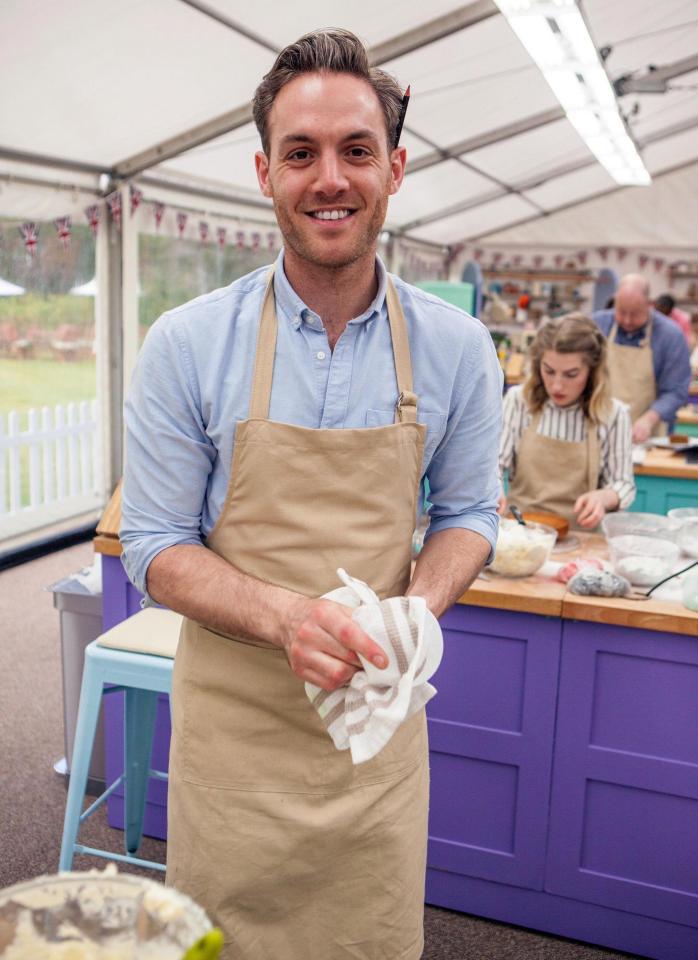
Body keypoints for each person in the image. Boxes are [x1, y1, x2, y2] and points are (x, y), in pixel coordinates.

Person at [120, 28, 503, 960]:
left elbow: (469, 516)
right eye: (301, 153)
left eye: (355, 150)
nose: (329, 177)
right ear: (265, 172)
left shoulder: (457, 350)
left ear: (396, 168)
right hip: (233, 756)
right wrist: (286, 618)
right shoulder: (186, 344)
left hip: (373, 759)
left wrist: (416, 611)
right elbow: (155, 545)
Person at [498, 314, 635, 529]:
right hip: (519, 534)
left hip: (582, 537)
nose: (557, 386)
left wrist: (604, 498)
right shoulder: (518, 401)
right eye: (549, 371)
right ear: (537, 364)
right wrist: (493, 486)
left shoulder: (613, 414)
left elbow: (623, 483)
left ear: (592, 371)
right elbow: (493, 463)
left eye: (571, 374)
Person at [593, 274, 691, 442]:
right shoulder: (596, 325)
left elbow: (676, 391)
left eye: (635, 314)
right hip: (599, 429)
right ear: (615, 301)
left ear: (649, 305)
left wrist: (649, 419)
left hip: (647, 435)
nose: (627, 320)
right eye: (621, 312)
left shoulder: (670, 336)